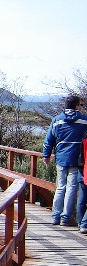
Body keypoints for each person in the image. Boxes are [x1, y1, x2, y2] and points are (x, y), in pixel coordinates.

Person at [43, 95, 87, 226]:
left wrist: (46, 155)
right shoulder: (84, 121)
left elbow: (49, 140)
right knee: (72, 188)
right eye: (80, 105)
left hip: (61, 157)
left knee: (61, 187)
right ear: (77, 106)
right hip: (76, 158)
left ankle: (55, 216)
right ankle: (66, 217)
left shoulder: (57, 120)